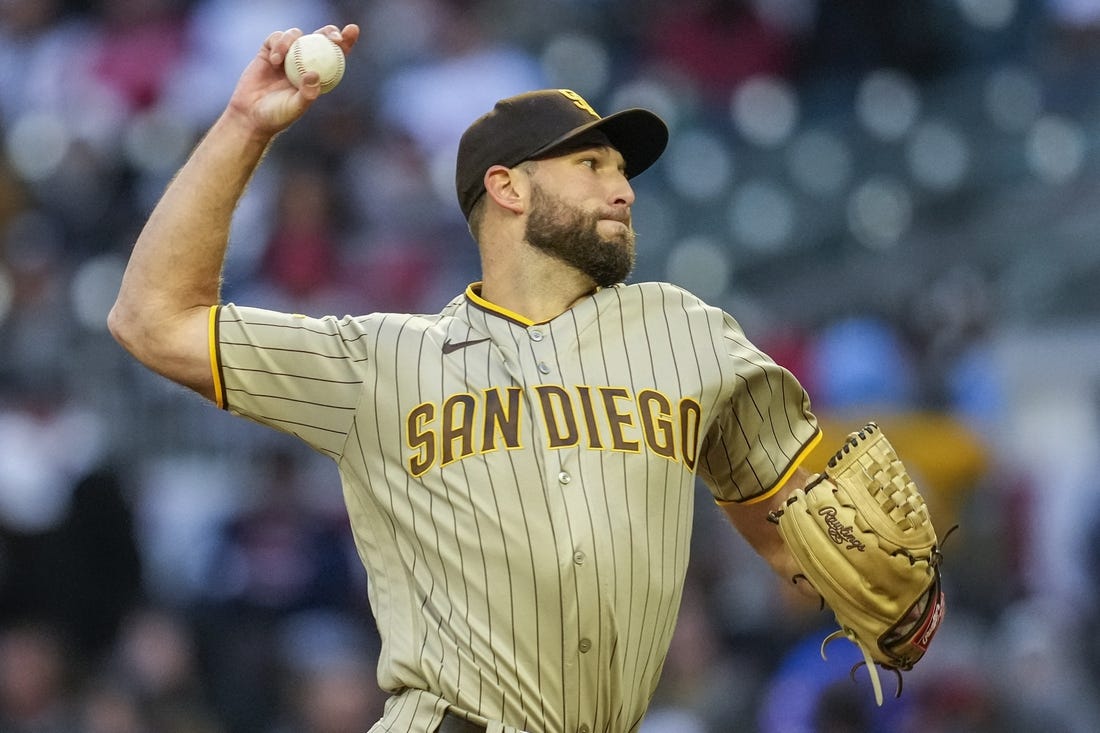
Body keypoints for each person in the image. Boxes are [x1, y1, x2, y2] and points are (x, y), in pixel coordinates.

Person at [109, 23, 823, 733]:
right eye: (593, 166)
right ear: (508, 187)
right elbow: (151, 319)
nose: (624, 191)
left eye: (622, 171)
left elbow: (798, 519)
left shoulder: (685, 333)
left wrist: (884, 603)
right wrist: (244, 126)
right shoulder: (382, 360)